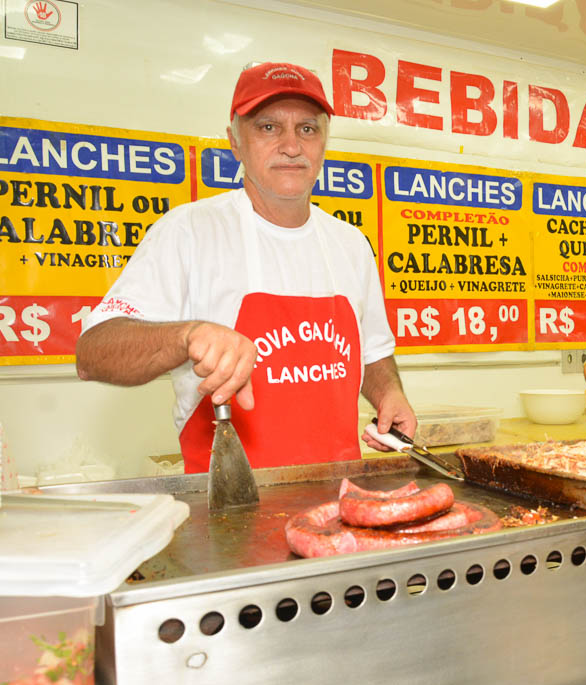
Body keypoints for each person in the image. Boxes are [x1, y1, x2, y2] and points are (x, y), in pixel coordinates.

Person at [75, 62, 416, 472]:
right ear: (234, 141)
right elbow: (93, 353)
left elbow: (372, 352)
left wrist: (388, 394)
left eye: (307, 129)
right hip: (229, 512)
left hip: (338, 501)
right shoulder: (190, 231)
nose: (292, 146)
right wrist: (187, 335)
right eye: (268, 128)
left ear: (324, 142)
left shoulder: (350, 244)